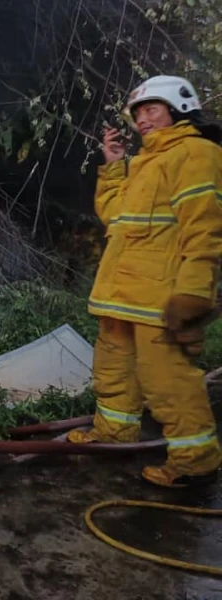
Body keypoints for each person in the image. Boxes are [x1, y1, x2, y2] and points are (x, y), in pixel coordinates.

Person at [67, 75, 222, 489]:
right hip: (121, 296)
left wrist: (194, 291)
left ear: (179, 109)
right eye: (137, 113)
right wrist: (114, 166)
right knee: (113, 371)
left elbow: (204, 228)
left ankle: (196, 462)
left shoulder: (196, 154)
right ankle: (115, 434)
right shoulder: (144, 162)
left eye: (151, 109)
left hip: (159, 298)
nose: (142, 119)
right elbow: (116, 216)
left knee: (168, 383)